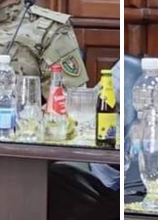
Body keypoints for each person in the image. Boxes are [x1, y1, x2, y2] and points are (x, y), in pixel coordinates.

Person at [48, 60, 120, 220]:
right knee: (41, 174)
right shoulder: (121, 71)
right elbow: (94, 103)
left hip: (119, 173)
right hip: (96, 160)